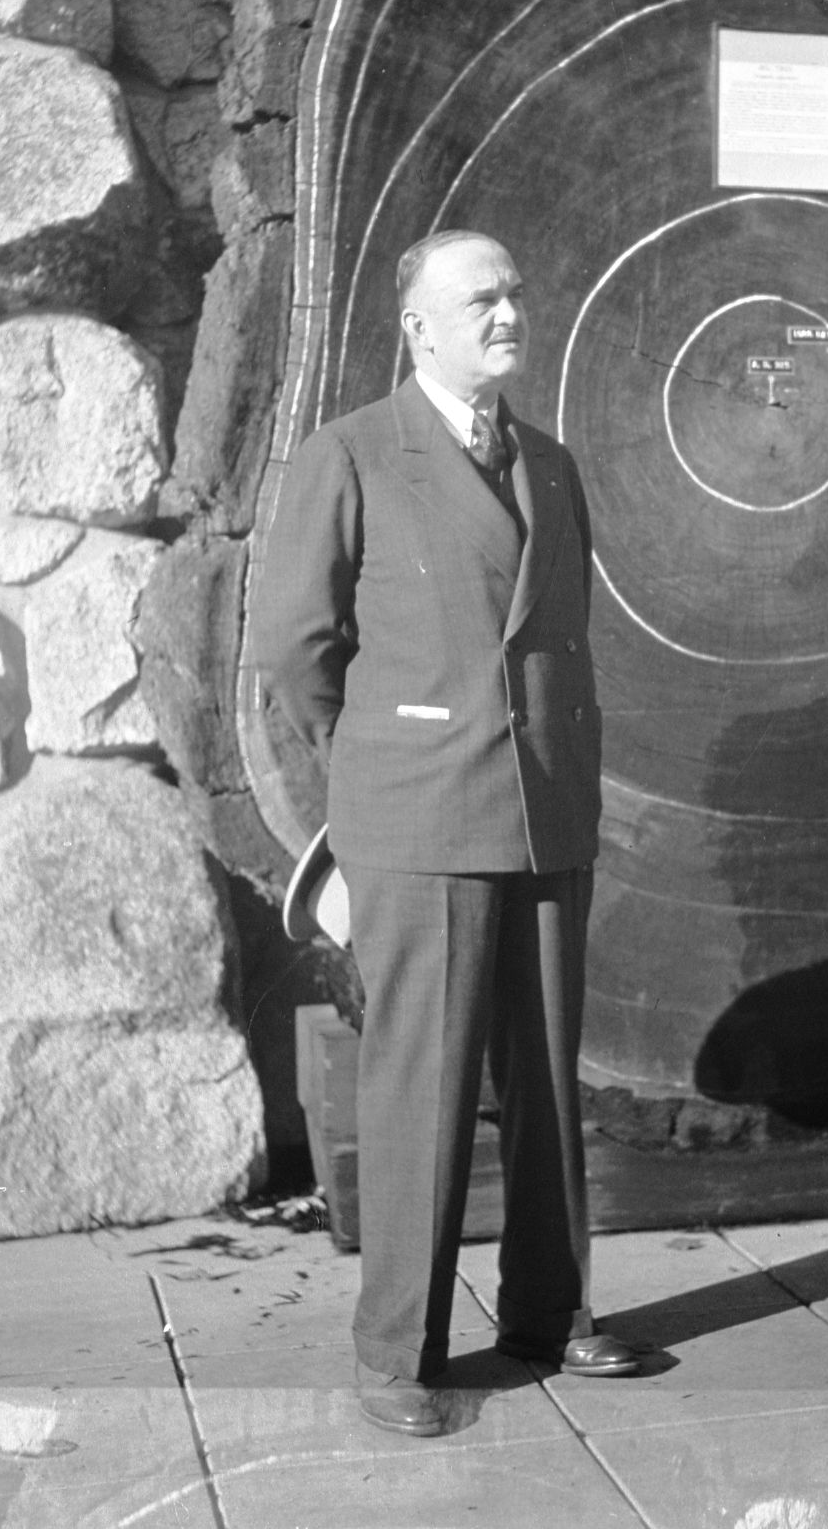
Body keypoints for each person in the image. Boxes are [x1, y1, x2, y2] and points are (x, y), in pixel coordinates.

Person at [251, 230, 640, 1437]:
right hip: (420, 816)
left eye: (518, 292)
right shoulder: (353, 455)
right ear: (416, 324)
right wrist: (389, 754)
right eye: (481, 299)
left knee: (546, 1084)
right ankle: (395, 1356)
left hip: (544, 810)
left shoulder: (555, 465)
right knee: (419, 1086)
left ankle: (545, 1310)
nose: (509, 312)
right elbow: (294, 650)